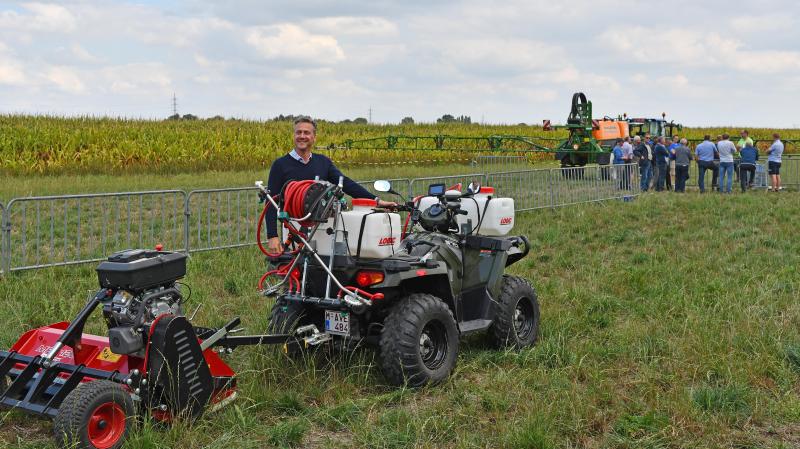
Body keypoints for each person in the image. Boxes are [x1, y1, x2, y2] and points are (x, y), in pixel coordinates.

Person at [266, 117, 395, 254]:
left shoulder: (323, 162)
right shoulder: (280, 165)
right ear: (294, 135)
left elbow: (345, 183)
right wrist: (272, 236)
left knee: (323, 268)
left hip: (322, 226)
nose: (302, 136)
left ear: (314, 137)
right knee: (295, 270)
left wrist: (377, 201)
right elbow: (271, 202)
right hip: (293, 227)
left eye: (306, 133)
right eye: (298, 132)